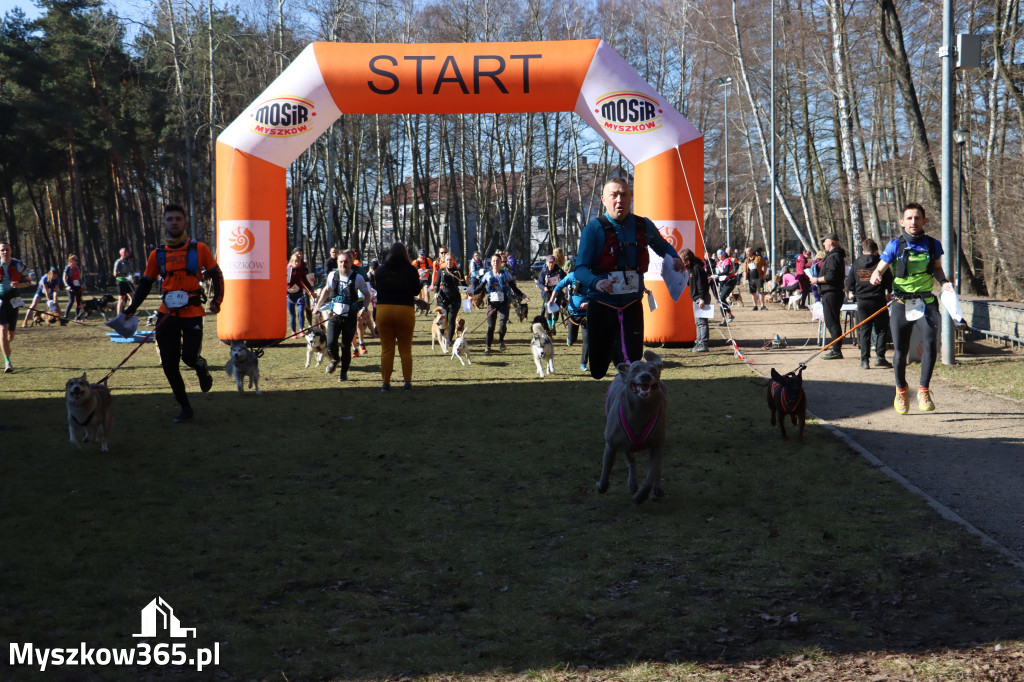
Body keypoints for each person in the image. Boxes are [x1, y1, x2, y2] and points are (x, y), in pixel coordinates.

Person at [573, 177, 683, 378]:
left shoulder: (643, 225)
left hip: (631, 305)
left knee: (632, 365)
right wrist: (597, 282)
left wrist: (674, 257)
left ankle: (627, 398)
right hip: (602, 306)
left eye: (624, 194)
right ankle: (615, 360)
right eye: (613, 195)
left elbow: (663, 247)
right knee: (598, 370)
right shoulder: (593, 229)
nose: (619, 200)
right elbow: (579, 269)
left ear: (631, 198)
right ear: (603, 199)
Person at [122, 204, 223, 423]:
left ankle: (201, 367)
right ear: (164, 223)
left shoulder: (199, 249)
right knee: (169, 364)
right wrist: (130, 309)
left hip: (193, 313)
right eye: (170, 219)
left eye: (178, 219)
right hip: (166, 315)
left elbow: (217, 274)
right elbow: (145, 285)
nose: (174, 222)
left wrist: (217, 300)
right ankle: (186, 408)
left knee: (189, 357)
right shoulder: (157, 254)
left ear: (185, 223)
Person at [869, 202, 954, 413]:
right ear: (902, 222)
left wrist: (944, 283)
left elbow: (937, 270)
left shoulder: (933, 245)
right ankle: (901, 389)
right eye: (909, 218)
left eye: (917, 218)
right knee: (900, 350)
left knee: (931, 343)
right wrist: (876, 275)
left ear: (924, 221)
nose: (913, 222)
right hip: (901, 302)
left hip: (925, 302)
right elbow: (880, 268)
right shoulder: (894, 246)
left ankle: (923, 389)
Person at [312, 250, 373, 382]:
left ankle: (343, 373)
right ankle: (335, 359)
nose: (343, 264)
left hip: (350, 317)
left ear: (351, 263)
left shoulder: (358, 278)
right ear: (337, 263)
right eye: (341, 262)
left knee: (346, 346)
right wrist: (317, 306)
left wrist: (364, 308)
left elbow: (367, 295)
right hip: (335, 316)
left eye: (346, 262)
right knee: (331, 341)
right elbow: (327, 290)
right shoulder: (332, 275)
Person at [373, 242, 421, 391]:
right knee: (405, 349)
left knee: (387, 349)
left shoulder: (381, 269)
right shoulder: (411, 269)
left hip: (384, 310)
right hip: (404, 310)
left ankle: (385, 384)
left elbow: (376, 286)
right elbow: (416, 291)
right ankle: (407, 382)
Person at [846, 238, 893, 370]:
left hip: (862, 301)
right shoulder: (880, 263)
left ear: (863, 250)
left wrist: (854, 291)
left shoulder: (856, 264)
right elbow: (889, 280)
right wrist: (888, 292)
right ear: (876, 250)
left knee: (864, 330)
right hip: (878, 299)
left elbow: (850, 283)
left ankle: (864, 360)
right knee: (882, 329)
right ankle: (880, 357)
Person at [470, 252, 527, 355]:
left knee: (502, 324)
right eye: (494, 261)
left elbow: (514, 287)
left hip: (504, 303)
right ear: (491, 263)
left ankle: (501, 340)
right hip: (492, 303)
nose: (495, 263)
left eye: (498, 261)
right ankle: (488, 348)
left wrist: (523, 295)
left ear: (501, 262)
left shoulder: (506, 274)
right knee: (491, 326)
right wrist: (471, 293)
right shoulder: (487, 275)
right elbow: (480, 288)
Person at [810, 232, 846, 359]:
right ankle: (836, 348)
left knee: (832, 322)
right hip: (831, 293)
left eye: (825, 241)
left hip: (831, 293)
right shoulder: (833, 256)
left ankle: (836, 350)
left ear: (831, 242)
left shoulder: (834, 257)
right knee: (832, 321)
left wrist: (817, 280)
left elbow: (831, 276)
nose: (824, 243)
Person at [550, 270, 591, 370]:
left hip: (586, 314)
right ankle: (570, 339)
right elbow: (558, 286)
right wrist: (551, 300)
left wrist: (589, 304)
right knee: (573, 339)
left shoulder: (591, 277)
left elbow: (598, 295)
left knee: (587, 340)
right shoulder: (571, 276)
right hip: (573, 314)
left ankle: (583, 364)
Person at [0, 242, 31, 373]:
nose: (5, 252)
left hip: (14, 300)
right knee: (3, 329)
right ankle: (7, 361)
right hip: (0, 300)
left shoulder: (19, 265)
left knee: (10, 334)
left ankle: (6, 346)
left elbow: (29, 282)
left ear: (11, 251)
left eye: (7, 249)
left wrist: (19, 285)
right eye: (2, 250)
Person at [681, 248, 711, 353]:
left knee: (702, 322)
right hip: (696, 298)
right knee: (698, 322)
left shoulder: (697, 268)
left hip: (701, 298)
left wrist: (702, 298)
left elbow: (701, 285)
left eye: (683, 261)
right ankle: (698, 342)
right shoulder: (691, 269)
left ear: (687, 259)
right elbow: (691, 283)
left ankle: (703, 343)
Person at [433, 251, 465, 348]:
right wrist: (435, 292)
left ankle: (449, 340)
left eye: (451, 259)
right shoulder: (441, 271)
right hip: (443, 299)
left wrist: (469, 291)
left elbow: (464, 285)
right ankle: (443, 336)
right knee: (444, 318)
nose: (449, 261)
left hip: (455, 299)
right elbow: (436, 284)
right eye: (447, 259)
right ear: (444, 260)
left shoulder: (458, 271)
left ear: (453, 260)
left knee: (451, 319)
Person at [536, 255, 566, 335]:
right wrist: (543, 288)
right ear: (546, 262)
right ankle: (549, 328)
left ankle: (553, 325)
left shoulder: (558, 270)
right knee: (548, 308)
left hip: (557, 292)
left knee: (556, 310)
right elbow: (539, 283)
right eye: (550, 262)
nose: (551, 264)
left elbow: (565, 278)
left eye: (552, 262)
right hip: (547, 292)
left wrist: (561, 283)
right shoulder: (544, 271)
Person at [286, 249, 315, 333]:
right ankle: (293, 331)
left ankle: (301, 330)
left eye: (298, 262)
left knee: (301, 310)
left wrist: (311, 291)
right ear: (291, 261)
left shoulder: (300, 271)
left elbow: (305, 281)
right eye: (295, 261)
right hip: (290, 295)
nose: (297, 263)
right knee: (292, 315)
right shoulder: (287, 270)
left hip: (299, 294)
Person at [712, 249, 737, 325]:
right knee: (720, 300)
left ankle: (730, 315)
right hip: (722, 282)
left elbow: (726, 271)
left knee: (722, 298)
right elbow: (717, 272)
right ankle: (724, 319)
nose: (719, 257)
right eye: (718, 255)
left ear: (724, 255)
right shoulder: (718, 263)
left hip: (730, 281)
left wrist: (717, 275)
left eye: (720, 255)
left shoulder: (727, 260)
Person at [113, 248, 136, 315]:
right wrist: (124, 274)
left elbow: (132, 271)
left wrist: (132, 275)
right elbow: (115, 274)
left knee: (133, 297)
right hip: (121, 281)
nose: (126, 254)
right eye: (124, 253)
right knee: (122, 298)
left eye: (127, 253)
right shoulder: (118, 262)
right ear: (121, 254)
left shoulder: (128, 262)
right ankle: (119, 315)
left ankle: (129, 312)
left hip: (128, 281)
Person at [62, 254, 84, 321]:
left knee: (78, 302)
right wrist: (67, 285)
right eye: (76, 260)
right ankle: (65, 316)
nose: (77, 261)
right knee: (71, 301)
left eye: (77, 260)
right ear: (71, 260)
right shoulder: (67, 268)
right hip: (70, 287)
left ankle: (77, 317)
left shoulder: (77, 268)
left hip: (77, 286)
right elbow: (64, 278)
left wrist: (83, 284)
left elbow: (80, 278)